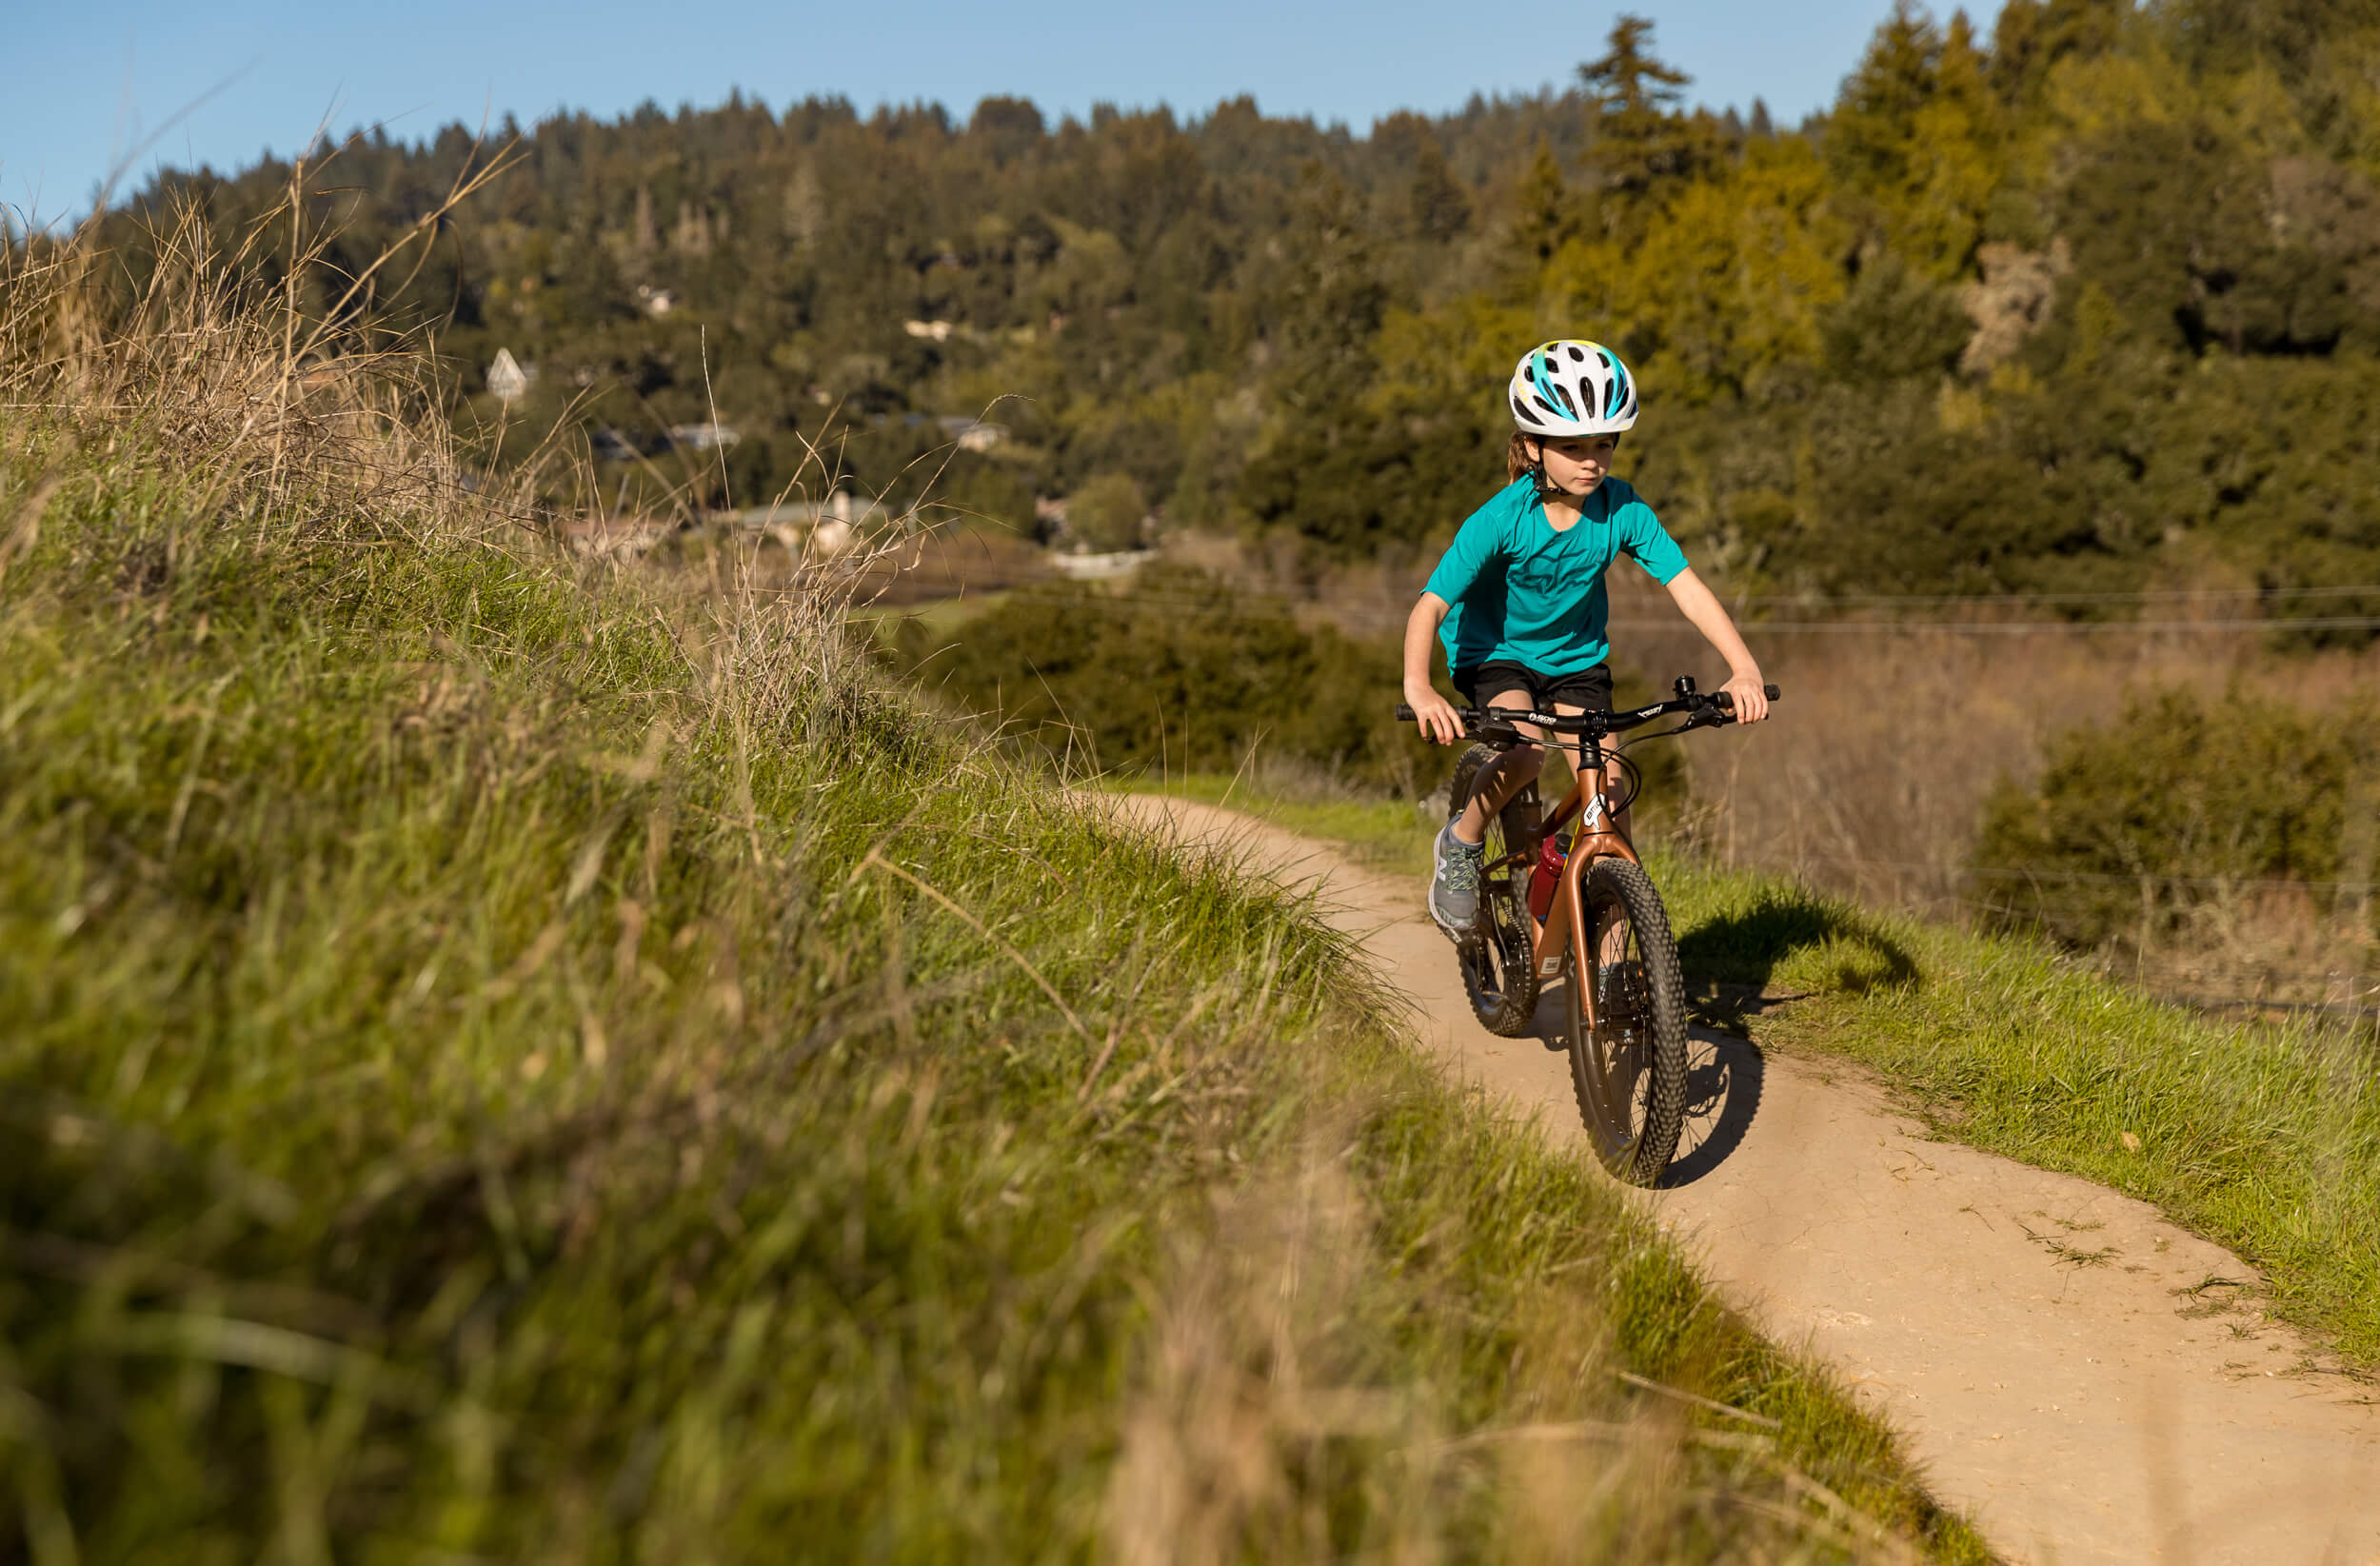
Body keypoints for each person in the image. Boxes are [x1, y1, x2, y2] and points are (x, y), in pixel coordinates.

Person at [1401, 339, 1770, 936]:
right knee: (1524, 753)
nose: (1592, 459)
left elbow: (1688, 588)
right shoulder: (1500, 520)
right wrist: (1419, 688)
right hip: (1496, 656)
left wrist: (1744, 668)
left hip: (1577, 662)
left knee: (1612, 791)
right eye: (1572, 446)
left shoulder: (1622, 510)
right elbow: (1430, 605)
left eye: (1604, 443)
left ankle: (1617, 955)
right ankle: (1462, 842)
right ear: (1531, 446)